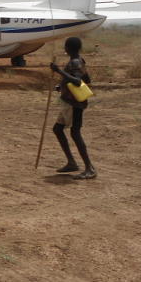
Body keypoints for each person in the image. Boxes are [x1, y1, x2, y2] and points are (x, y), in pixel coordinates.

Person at [50, 37, 96, 179]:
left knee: (75, 133)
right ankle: (71, 162)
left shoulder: (75, 61)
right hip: (69, 101)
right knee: (58, 129)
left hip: (74, 103)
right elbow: (86, 79)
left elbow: (77, 81)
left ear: (67, 48)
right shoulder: (79, 60)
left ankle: (90, 168)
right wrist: (63, 85)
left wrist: (58, 71)